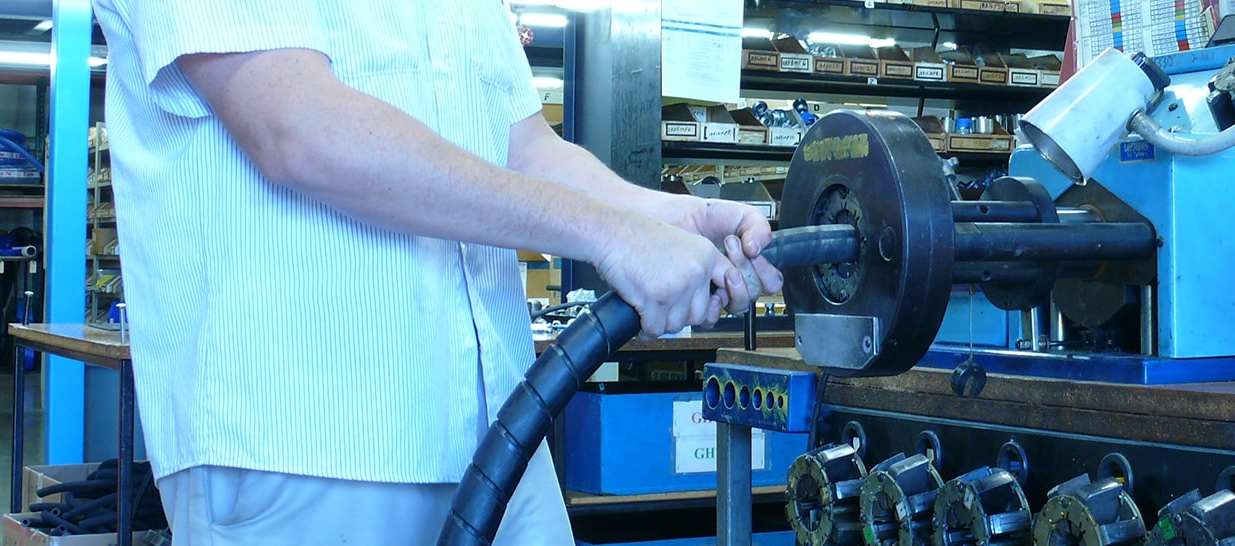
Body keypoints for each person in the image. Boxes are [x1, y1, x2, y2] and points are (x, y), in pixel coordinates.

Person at [89, 1, 783, 543]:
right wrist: (609, 234)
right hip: (306, 441)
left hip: (498, 434)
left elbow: (522, 144)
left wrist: (667, 218)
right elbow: (299, 130)